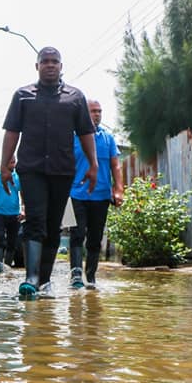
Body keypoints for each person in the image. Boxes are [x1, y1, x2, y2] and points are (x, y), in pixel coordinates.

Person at [0, 46, 98, 299]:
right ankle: (30, 278)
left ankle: (45, 281)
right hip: (31, 169)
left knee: (54, 225)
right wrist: (4, 165)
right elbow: (12, 131)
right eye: (45, 61)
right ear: (37, 66)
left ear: (61, 66)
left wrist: (93, 165)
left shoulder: (75, 97)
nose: (50, 65)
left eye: (55, 61)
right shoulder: (22, 96)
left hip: (62, 170)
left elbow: (86, 133)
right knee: (35, 220)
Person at [69, 100, 123, 289]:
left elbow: (115, 165)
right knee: (76, 234)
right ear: (84, 113)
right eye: (93, 111)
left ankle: (90, 277)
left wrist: (119, 190)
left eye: (99, 111)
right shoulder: (72, 137)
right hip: (74, 195)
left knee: (95, 238)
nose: (97, 114)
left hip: (100, 196)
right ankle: (75, 275)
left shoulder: (107, 138)